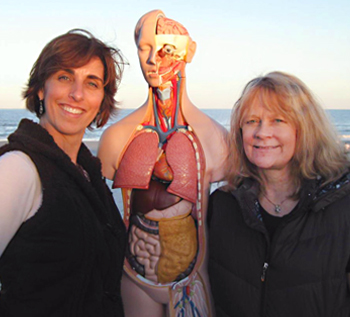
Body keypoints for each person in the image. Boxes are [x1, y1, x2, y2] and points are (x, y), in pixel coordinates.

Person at [98, 10, 227, 317]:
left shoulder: (214, 139)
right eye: (145, 49)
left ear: (187, 52)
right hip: (134, 273)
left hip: (191, 278)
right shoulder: (117, 137)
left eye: (166, 49)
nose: (154, 60)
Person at [0, 29, 127, 316]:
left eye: (92, 83)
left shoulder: (87, 174)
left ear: (101, 102)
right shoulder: (19, 168)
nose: (77, 93)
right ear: (42, 89)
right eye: (64, 77)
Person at [208, 71, 350, 317]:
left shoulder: (342, 205)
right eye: (252, 121)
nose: (262, 132)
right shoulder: (222, 205)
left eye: (278, 120)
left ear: (304, 129)